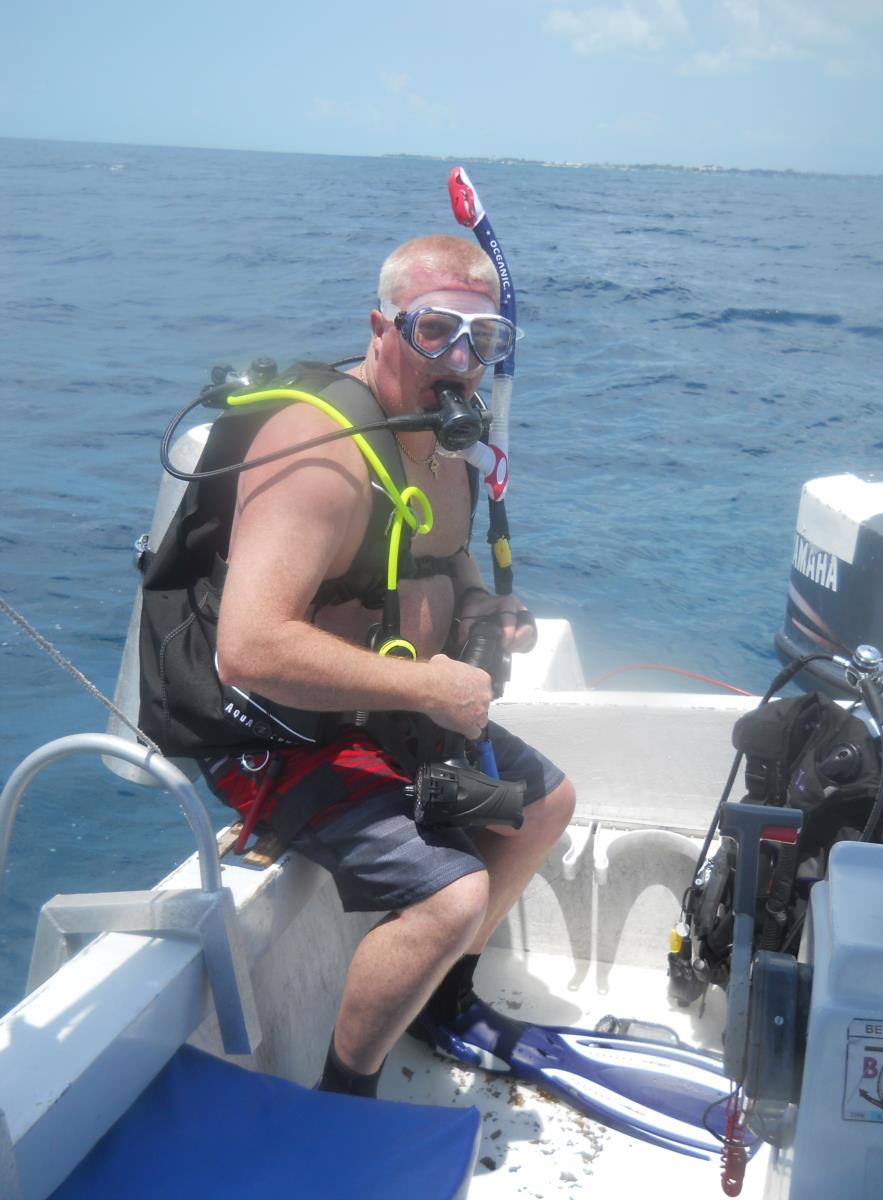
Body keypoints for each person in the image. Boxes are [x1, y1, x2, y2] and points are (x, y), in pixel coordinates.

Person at [148, 233, 575, 1098]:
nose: (460, 360)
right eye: (435, 330)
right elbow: (250, 649)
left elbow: (446, 558)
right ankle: (345, 1091)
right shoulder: (319, 456)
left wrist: (482, 609)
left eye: (484, 339)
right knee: (451, 895)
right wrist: (428, 684)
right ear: (382, 329)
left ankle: (439, 999)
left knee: (543, 808)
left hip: (386, 710)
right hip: (278, 730)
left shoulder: (442, 441)